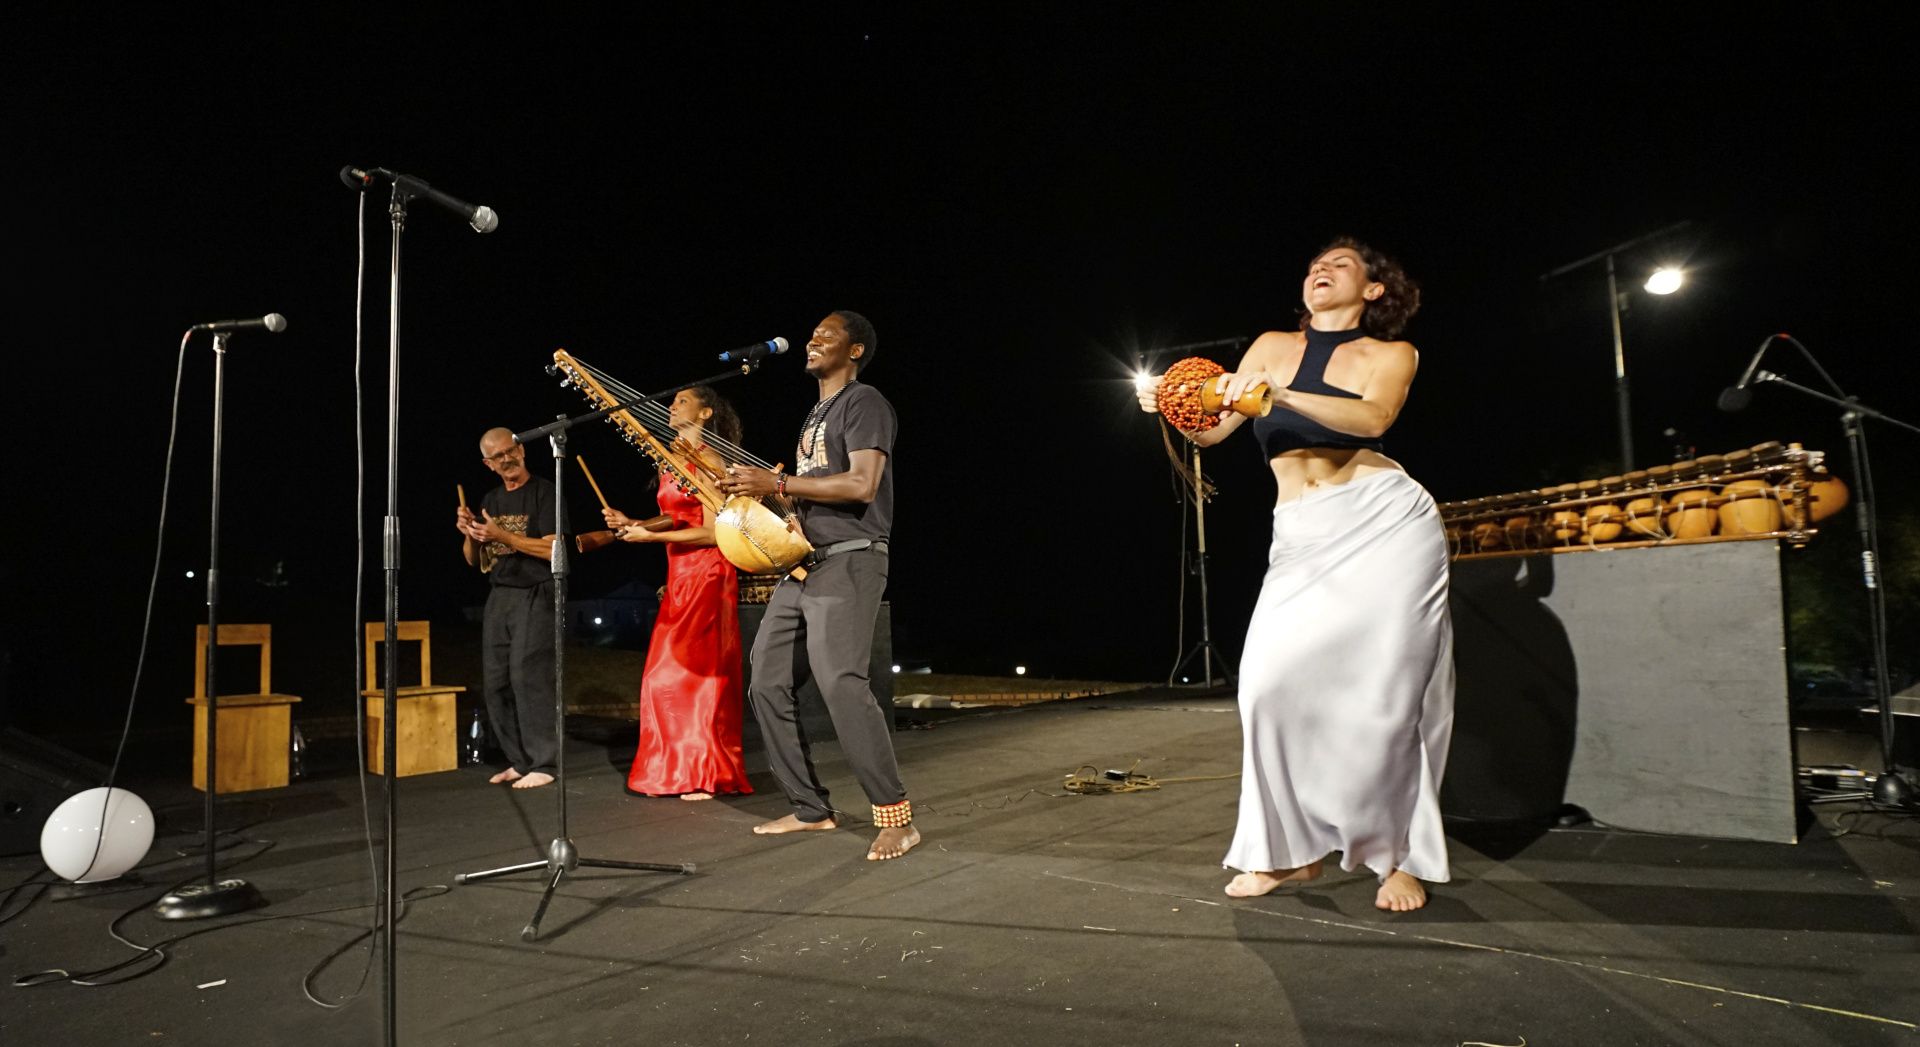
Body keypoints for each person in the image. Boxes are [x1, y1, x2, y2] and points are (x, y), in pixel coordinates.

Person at [1137, 238, 1454, 911]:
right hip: (1301, 534)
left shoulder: (1392, 354)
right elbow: (1213, 433)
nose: (1321, 270)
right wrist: (1174, 402)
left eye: (1339, 265)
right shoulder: (1269, 346)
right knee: (1266, 688)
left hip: (1385, 522)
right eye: (1314, 265)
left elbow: (1374, 417)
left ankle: (1397, 856)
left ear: (1374, 289)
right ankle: (1289, 851)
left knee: (1388, 697)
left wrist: (1278, 393)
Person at [717, 310, 918, 861]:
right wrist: (776, 499)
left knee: (841, 682)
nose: (812, 340)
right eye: (812, 334)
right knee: (767, 681)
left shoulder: (865, 402)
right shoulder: (815, 415)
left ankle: (896, 817)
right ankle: (811, 809)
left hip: (852, 560)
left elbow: (862, 484)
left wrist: (778, 481)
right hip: (806, 563)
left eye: (827, 335)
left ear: (854, 351)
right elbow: (814, 493)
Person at [602, 386, 753, 801]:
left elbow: (716, 531)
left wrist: (648, 538)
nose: (672, 406)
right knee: (660, 677)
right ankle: (674, 770)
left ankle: (707, 770)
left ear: (705, 413)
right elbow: (674, 518)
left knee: (694, 674)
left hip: (708, 573)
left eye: (682, 401)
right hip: (680, 576)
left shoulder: (708, 460)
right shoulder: (672, 462)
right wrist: (635, 523)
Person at [457, 428, 561, 790]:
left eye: (510, 451)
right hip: (500, 594)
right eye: (498, 456)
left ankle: (545, 762)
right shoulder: (491, 499)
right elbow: (474, 560)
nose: (507, 459)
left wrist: (503, 536)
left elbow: (553, 549)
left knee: (528, 676)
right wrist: (469, 533)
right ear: (488, 464)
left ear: (521, 450)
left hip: (536, 591)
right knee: (496, 681)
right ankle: (519, 761)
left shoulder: (545, 492)